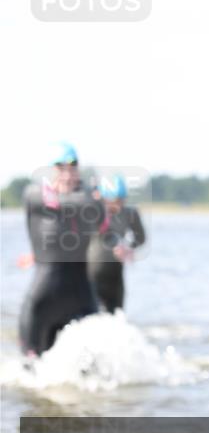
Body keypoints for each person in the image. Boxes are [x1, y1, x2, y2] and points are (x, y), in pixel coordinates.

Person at [18, 143, 105, 356]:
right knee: (31, 366)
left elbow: (102, 220)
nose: (67, 174)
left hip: (81, 296)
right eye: (61, 168)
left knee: (93, 365)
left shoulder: (88, 200)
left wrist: (92, 199)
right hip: (43, 299)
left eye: (73, 168)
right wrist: (87, 196)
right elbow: (60, 202)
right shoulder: (34, 195)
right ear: (51, 170)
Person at [87, 174, 146, 312]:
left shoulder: (129, 213)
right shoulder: (92, 211)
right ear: (103, 198)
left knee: (117, 316)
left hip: (115, 275)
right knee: (91, 316)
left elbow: (141, 237)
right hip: (90, 275)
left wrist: (128, 247)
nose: (118, 205)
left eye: (121, 200)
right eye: (114, 200)